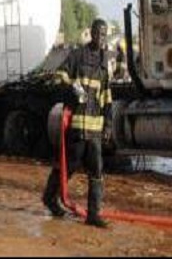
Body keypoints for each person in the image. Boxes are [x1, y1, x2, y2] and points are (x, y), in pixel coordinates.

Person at [42, 18, 113, 228]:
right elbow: (59, 76)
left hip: (95, 132)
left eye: (104, 34)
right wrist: (72, 85)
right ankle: (49, 197)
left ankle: (93, 214)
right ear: (91, 33)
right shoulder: (77, 56)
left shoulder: (103, 64)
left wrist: (108, 125)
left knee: (97, 172)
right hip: (77, 128)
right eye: (98, 33)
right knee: (67, 167)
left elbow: (107, 98)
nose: (101, 38)